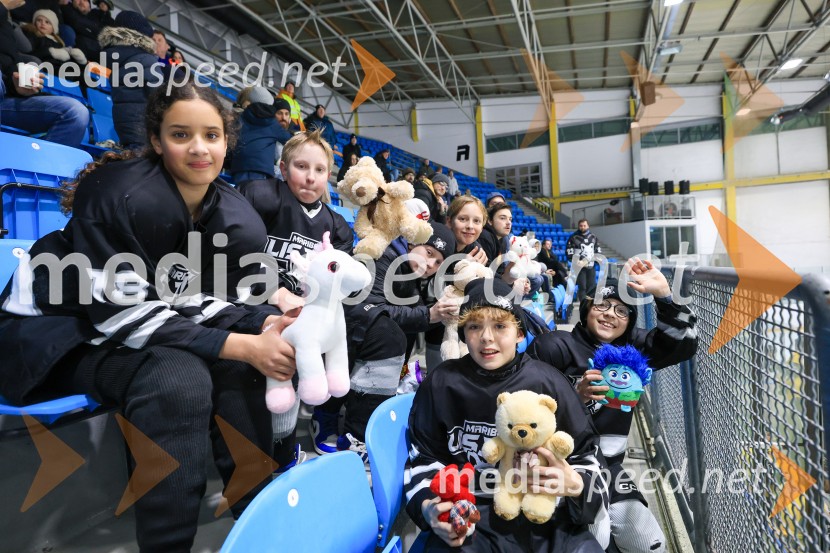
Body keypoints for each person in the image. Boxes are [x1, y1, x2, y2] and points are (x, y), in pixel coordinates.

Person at [0, 81, 298, 552]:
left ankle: (260, 521)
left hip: (114, 328)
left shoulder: (215, 208)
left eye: (212, 136)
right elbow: (124, 315)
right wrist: (241, 343)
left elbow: (181, 298)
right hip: (49, 337)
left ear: (228, 143)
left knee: (231, 359)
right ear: (157, 141)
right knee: (178, 376)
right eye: (181, 135)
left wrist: (255, 326)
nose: (199, 148)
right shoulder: (122, 196)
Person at [405, 277, 608, 552]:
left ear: (520, 334)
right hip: (471, 518)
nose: (486, 337)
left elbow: (588, 454)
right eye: (475, 326)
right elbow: (423, 458)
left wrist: (577, 485)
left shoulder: (548, 382)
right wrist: (429, 508)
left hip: (546, 514)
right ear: (464, 334)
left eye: (500, 326)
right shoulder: (441, 383)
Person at [528, 264, 698, 553]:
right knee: (597, 537)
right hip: (559, 464)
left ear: (629, 321)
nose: (610, 314)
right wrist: (574, 398)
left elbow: (685, 344)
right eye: (602, 305)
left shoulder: (632, 351)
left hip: (610, 467)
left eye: (622, 311)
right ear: (586, 310)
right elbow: (525, 413)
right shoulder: (556, 346)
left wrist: (665, 297)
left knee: (650, 544)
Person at [238, 129, 354, 466]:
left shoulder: (336, 225)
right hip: (252, 299)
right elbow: (233, 251)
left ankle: (298, 434)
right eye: (301, 166)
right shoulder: (259, 196)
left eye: (319, 170)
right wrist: (274, 290)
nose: (310, 177)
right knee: (281, 353)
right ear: (283, 167)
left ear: (329, 176)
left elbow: (339, 280)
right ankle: (278, 448)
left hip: (306, 312)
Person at [310, 222, 459, 459]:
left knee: (406, 327)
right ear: (413, 242)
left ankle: (363, 419)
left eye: (438, 262)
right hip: (333, 329)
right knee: (387, 334)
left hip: (351, 334)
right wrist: (429, 314)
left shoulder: (409, 270)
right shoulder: (382, 256)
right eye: (428, 253)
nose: (430, 264)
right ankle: (330, 417)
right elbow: (369, 310)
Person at [1, 1, 89, 147]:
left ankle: (39, 166)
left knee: (77, 112)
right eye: (39, 21)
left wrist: (16, 86)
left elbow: (8, 65)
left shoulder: (5, 26)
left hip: (5, 99)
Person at [99, 10, 164, 149]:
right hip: (146, 130)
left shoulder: (118, 61)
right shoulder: (146, 60)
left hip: (126, 128)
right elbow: (159, 97)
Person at [230, 86, 291, 185]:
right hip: (261, 168)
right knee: (256, 198)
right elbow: (288, 140)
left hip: (240, 166)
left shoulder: (242, 117)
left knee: (240, 197)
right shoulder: (272, 122)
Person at [21, 9, 87, 71]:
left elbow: (65, 58)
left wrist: (80, 59)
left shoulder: (58, 42)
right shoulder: (32, 34)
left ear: (53, 28)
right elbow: (30, 53)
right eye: (39, 20)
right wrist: (50, 52)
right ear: (34, 23)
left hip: (62, 67)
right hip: (47, 68)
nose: (43, 23)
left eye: (47, 22)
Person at [566, 219, 601, 302]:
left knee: (591, 286)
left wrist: (596, 259)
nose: (583, 227)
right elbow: (569, 251)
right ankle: (582, 304)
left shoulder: (593, 237)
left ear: (588, 226)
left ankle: (590, 304)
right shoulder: (573, 237)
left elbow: (598, 251)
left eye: (584, 225)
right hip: (579, 267)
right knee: (582, 286)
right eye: (581, 226)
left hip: (591, 266)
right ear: (578, 226)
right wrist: (575, 261)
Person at [479, 202, 512, 271]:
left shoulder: (503, 240)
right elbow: (488, 271)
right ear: (490, 221)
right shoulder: (485, 237)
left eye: (510, 219)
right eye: (503, 218)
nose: (508, 222)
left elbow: (500, 270)